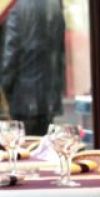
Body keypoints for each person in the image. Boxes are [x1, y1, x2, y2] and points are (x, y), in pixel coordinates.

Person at [0, 0, 65, 135]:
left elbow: (11, 56)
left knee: (23, 148)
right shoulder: (55, 4)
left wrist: (5, 88)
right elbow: (59, 52)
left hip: (23, 98)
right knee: (42, 148)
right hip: (49, 98)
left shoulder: (16, 7)